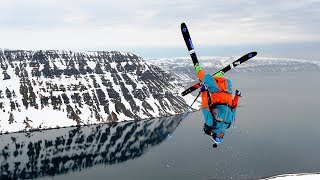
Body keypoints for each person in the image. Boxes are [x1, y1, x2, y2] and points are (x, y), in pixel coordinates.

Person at [195, 64, 241, 147]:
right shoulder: (228, 125)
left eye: (217, 138)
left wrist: (204, 91)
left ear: (214, 136)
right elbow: (233, 109)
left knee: (206, 77)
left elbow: (205, 107)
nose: (220, 137)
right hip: (228, 91)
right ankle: (214, 78)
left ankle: (197, 68)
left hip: (217, 91)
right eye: (221, 138)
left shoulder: (212, 124)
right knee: (228, 81)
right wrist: (237, 96)